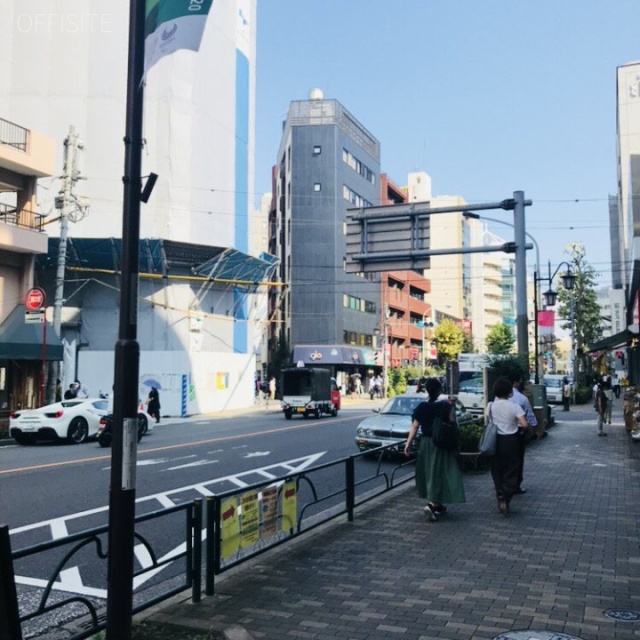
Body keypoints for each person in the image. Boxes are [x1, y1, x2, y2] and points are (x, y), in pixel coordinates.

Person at [404, 377, 466, 522]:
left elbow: (414, 426)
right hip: (441, 443)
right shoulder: (445, 406)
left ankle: (438, 504)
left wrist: (408, 443)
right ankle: (432, 504)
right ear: (439, 390)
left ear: (427, 390)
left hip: (425, 443)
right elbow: (452, 424)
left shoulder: (421, 407)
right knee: (441, 472)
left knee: (429, 472)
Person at [486, 378, 529, 515]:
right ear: (509, 391)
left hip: (495, 441)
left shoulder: (490, 406)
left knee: (496, 470)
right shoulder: (514, 406)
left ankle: (499, 494)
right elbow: (524, 424)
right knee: (512, 470)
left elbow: (487, 420)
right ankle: (507, 495)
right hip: (511, 441)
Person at [508, 373, 537, 495]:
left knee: (504, 461)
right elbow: (529, 417)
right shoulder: (521, 398)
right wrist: (534, 430)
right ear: (516, 382)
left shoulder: (496, 400)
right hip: (518, 432)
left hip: (501, 434)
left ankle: (504, 486)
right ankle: (516, 485)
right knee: (518, 460)